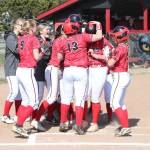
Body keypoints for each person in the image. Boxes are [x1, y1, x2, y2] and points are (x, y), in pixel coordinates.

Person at [57, 15, 103, 135]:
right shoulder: (82, 37)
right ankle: (78, 124)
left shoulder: (63, 41)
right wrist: (98, 24)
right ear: (76, 28)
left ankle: (63, 122)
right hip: (80, 70)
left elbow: (59, 57)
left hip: (67, 70)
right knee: (80, 99)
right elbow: (99, 36)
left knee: (66, 98)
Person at [12, 19, 46, 138]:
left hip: (20, 70)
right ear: (31, 28)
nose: (36, 29)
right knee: (34, 101)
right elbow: (36, 57)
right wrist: (42, 53)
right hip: (28, 71)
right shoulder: (33, 38)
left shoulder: (21, 38)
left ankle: (18, 124)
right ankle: (18, 124)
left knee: (26, 101)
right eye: (35, 27)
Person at [31, 24, 66, 128]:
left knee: (59, 97)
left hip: (54, 69)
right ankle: (35, 119)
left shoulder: (54, 40)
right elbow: (51, 55)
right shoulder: (57, 40)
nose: (49, 31)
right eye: (47, 29)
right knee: (48, 96)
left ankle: (56, 118)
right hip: (48, 69)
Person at [86, 22, 114, 132]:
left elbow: (108, 58)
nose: (92, 36)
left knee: (107, 97)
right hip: (89, 70)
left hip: (102, 71)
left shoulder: (105, 42)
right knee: (86, 95)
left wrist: (95, 55)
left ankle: (105, 120)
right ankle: (85, 119)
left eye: (93, 34)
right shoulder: (87, 40)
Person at [107, 26, 131, 136]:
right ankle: (125, 125)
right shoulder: (124, 46)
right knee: (120, 103)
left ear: (120, 36)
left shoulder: (120, 48)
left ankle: (125, 127)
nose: (113, 37)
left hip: (119, 76)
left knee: (114, 103)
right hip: (124, 75)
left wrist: (107, 56)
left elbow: (110, 63)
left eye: (115, 36)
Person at [1, 18, 25, 124]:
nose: (23, 28)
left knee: (19, 93)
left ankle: (17, 115)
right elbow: (17, 49)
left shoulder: (18, 37)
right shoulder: (11, 37)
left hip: (17, 68)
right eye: (21, 25)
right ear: (15, 25)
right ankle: (5, 116)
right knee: (14, 91)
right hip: (11, 68)